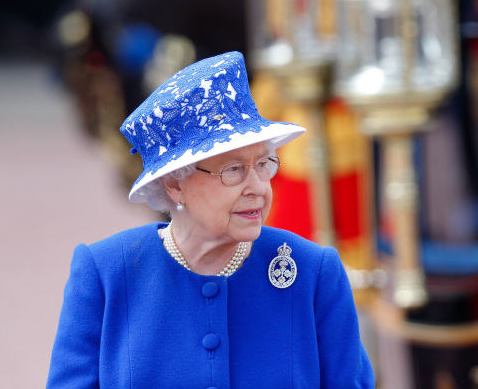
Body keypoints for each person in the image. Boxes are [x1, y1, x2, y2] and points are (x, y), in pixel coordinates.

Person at [47, 51, 374, 388]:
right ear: (175, 184)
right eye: (233, 170)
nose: (259, 188)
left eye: (264, 164)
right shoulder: (105, 273)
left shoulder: (313, 273)